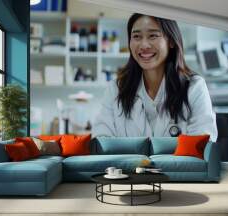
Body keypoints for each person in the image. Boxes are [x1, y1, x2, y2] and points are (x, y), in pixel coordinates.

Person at [92, 13, 218, 142]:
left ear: (171, 41)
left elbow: (201, 146)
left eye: (153, 36)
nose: (144, 45)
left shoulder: (193, 87)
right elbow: (101, 141)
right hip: (125, 163)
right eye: (136, 36)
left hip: (179, 163)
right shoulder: (116, 89)